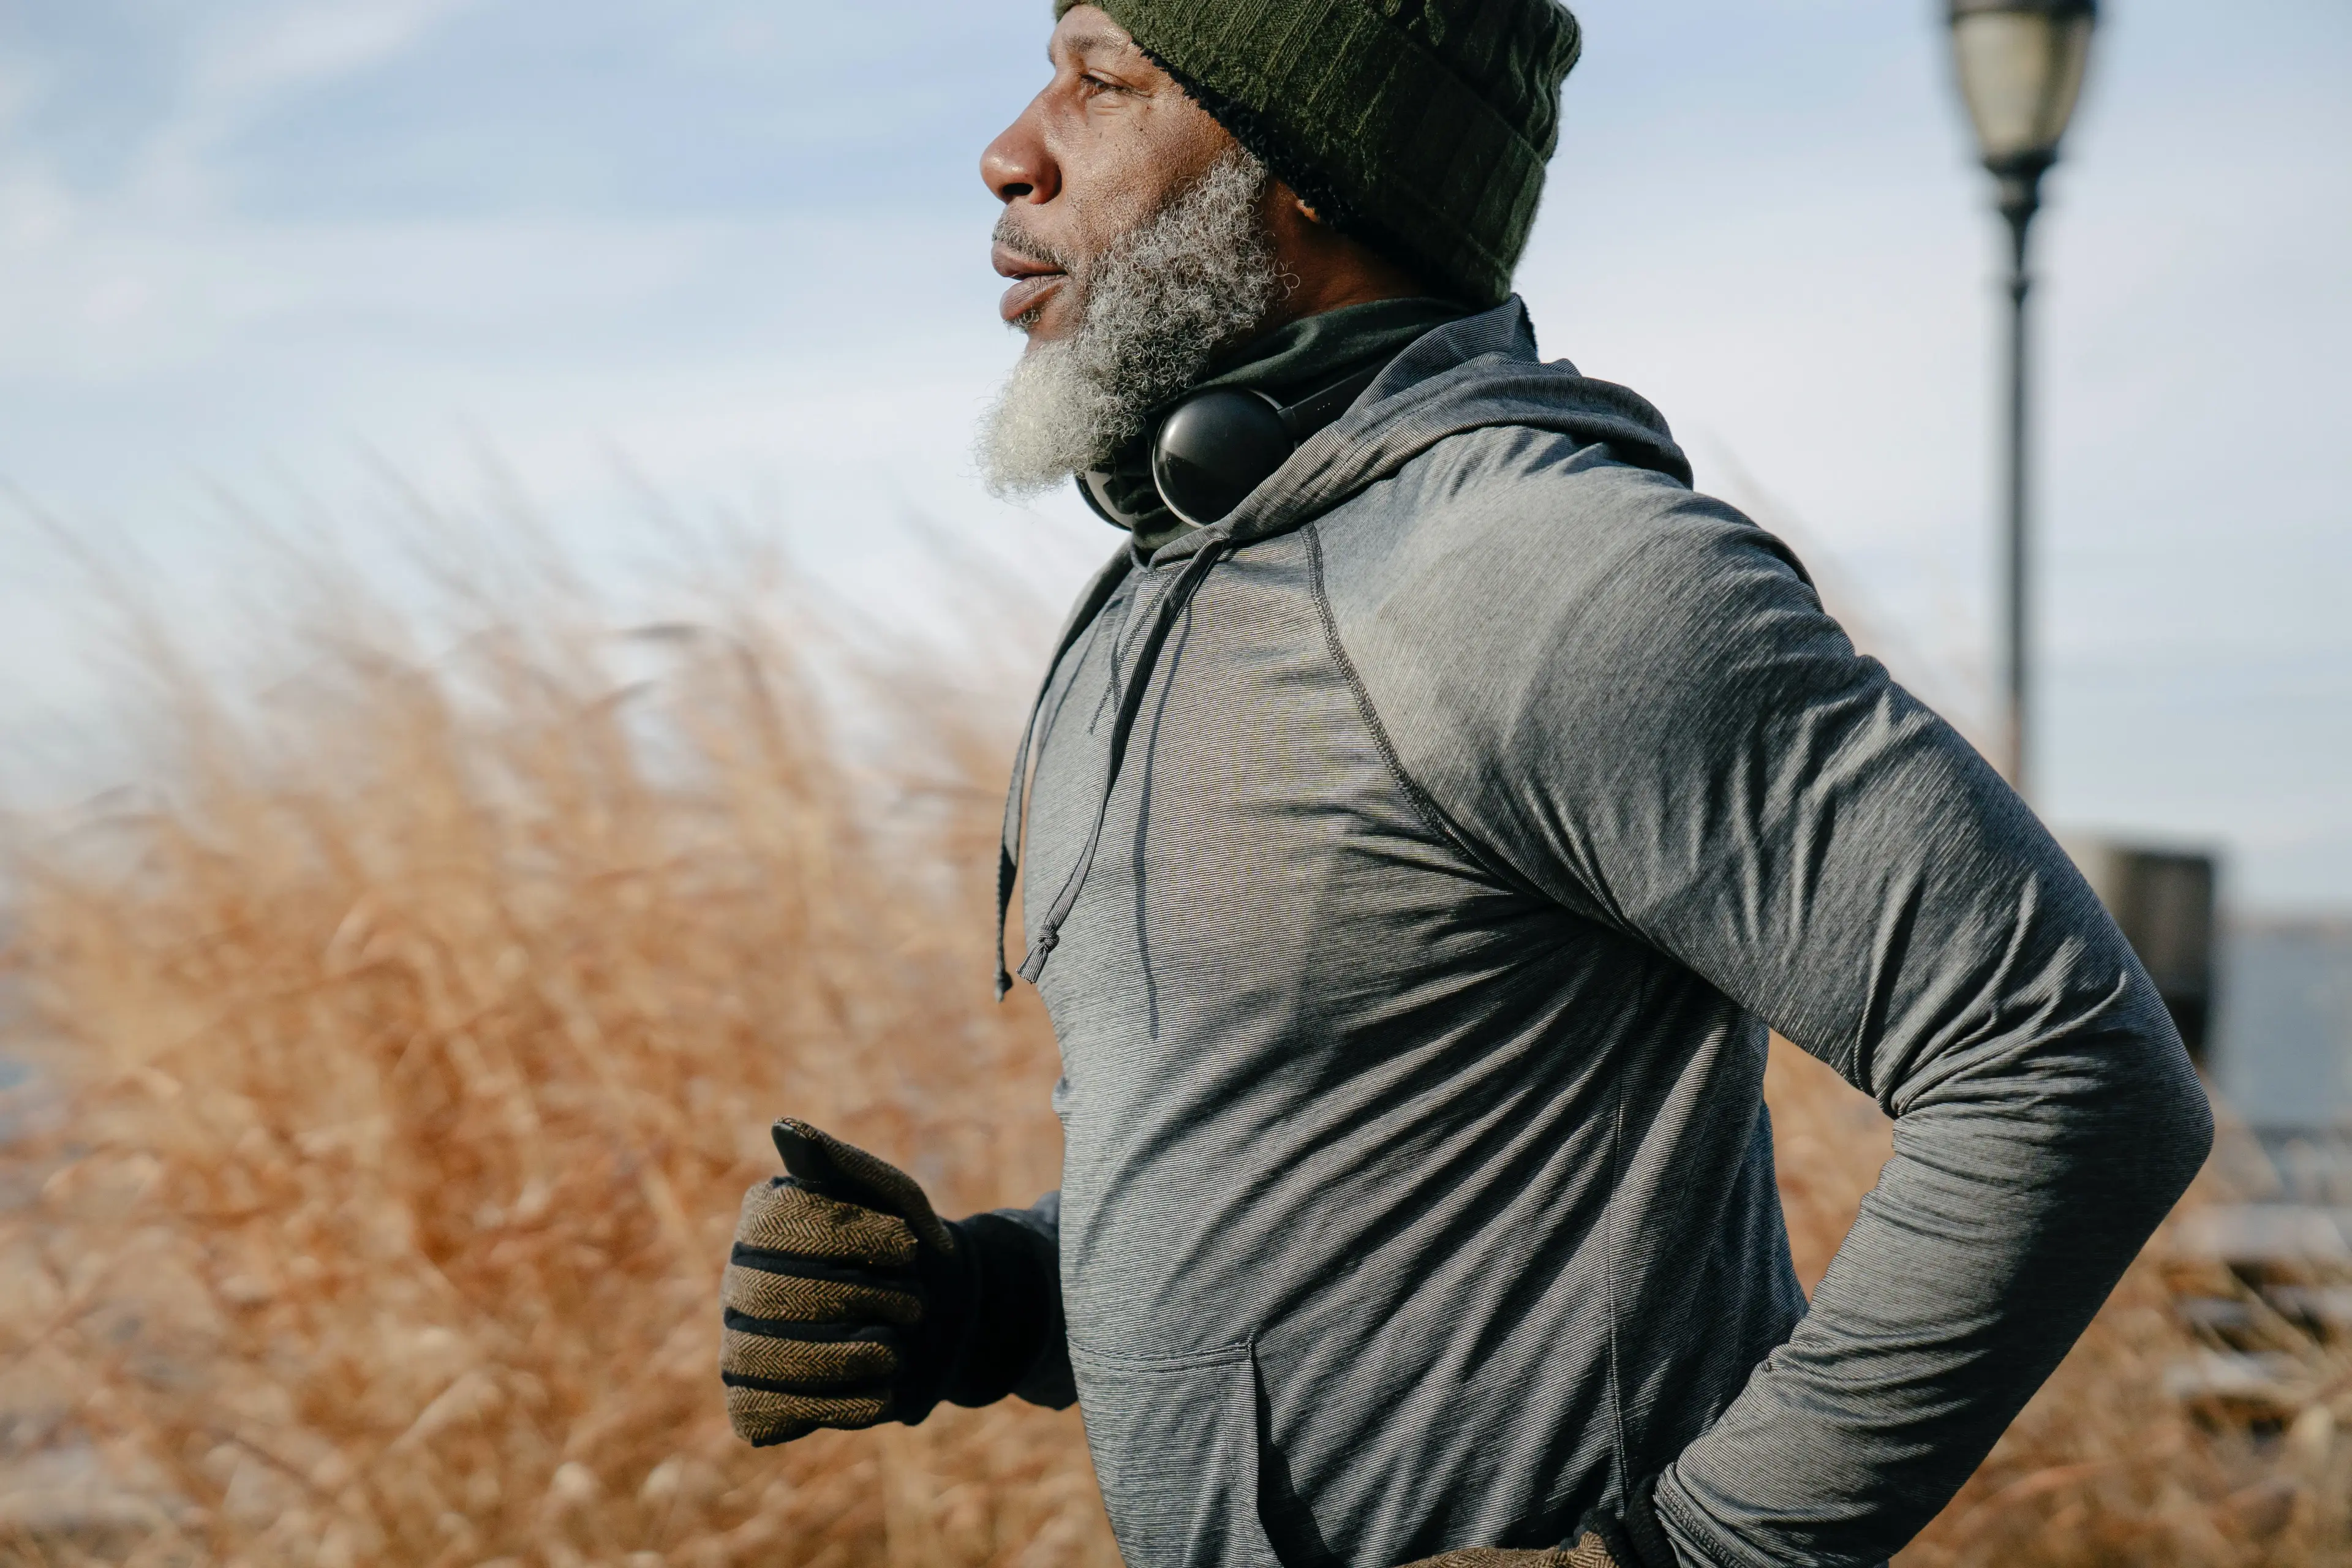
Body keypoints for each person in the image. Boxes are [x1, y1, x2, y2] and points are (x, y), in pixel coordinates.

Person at [715, 4, 2214, 1566]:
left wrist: (1695, 1551)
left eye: (1102, 79)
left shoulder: (1549, 570)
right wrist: (986, 1299)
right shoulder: (1185, 577)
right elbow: (1317, 1192)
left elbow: (2070, 1068)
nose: (1011, 152)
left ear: (1314, 168)